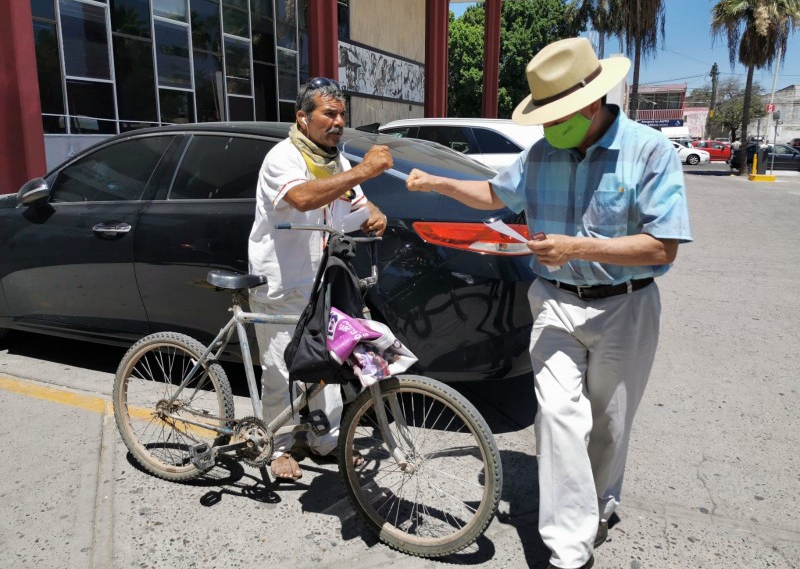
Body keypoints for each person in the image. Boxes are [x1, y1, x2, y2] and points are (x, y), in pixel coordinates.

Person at [406, 37, 692, 569]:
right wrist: (438, 182)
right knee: (558, 417)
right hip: (555, 303)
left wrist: (576, 246)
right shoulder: (542, 153)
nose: (546, 128)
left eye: (555, 115)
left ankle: (600, 506)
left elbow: (663, 245)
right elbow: (495, 195)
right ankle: (569, 549)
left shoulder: (650, 151)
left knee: (608, 424)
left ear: (590, 103)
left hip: (624, 306)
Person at [248, 77, 392, 481]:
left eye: (342, 114)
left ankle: (325, 441)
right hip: (281, 282)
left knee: (328, 362)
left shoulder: (336, 162)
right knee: (280, 367)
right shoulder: (283, 157)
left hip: (320, 282)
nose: (338, 121)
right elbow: (304, 197)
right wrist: (363, 171)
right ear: (303, 117)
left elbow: (352, 202)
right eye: (329, 113)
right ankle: (275, 448)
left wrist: (372, 211)